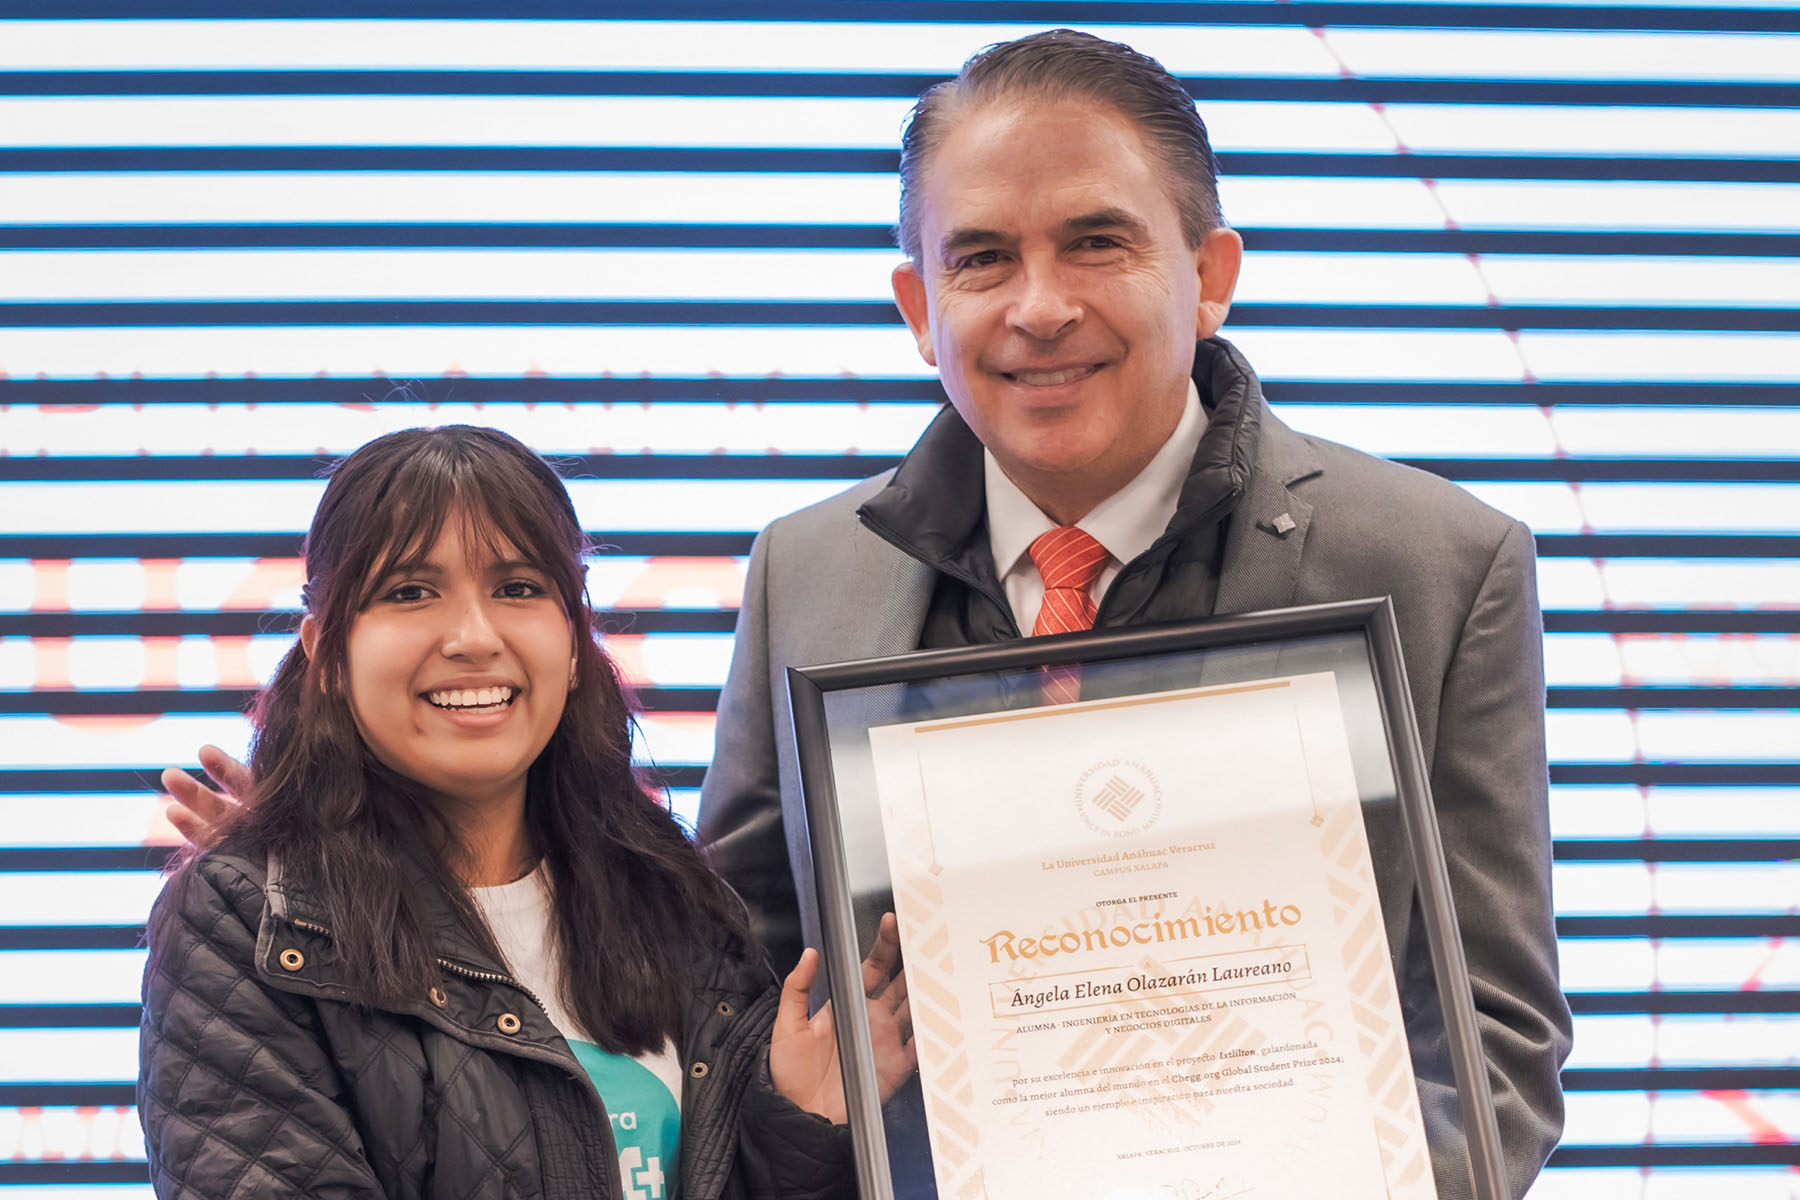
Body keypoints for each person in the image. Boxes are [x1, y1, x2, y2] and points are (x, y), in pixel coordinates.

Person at [692, 28, 1572, 1200]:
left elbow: (1493, 1041)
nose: (1040, 306)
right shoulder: (803, 573)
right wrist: (790, 1111)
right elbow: (731, 989)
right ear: (918, 304)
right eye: (983, 258)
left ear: (1209, 275)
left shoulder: (1440, 566)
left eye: (1096, 242)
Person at [140, 425, 912, 1198]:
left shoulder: (674, 900)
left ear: (575, 643)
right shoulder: (252, 924)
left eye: (518, 588)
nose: (475, 638)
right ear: (326, 655)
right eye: (411, 592)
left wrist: (799, 1134)